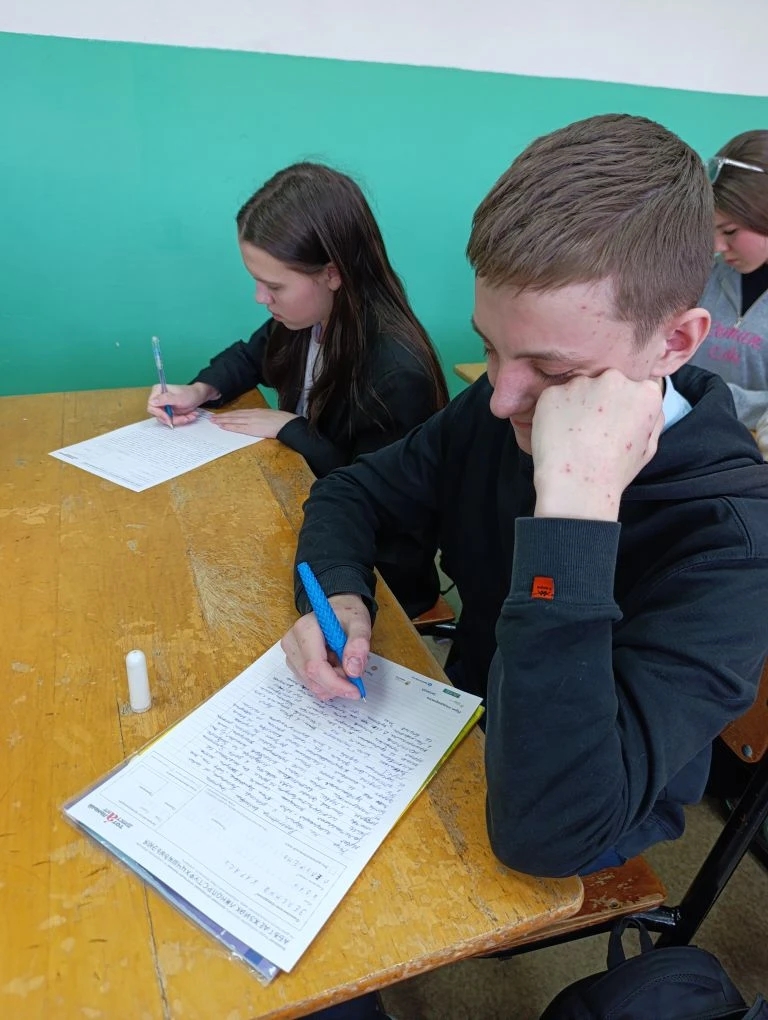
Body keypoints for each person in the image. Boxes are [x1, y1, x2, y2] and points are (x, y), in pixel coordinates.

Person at [280, 114, 768, 884]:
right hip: (463, 722)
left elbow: (547, 830)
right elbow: (352, 491)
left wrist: (572, 513)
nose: (503, 397)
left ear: (675, 343)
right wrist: (337, 594)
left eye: (553, 369)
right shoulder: (502, 403)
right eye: (491, 346)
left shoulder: (733, 543)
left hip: (579, 814)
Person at [147, 162, 449, 618]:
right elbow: (251, 357)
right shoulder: (304, 319)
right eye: (256, 281)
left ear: (332, 273)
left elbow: (372, 495)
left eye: (274, 286)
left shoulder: (397, 372)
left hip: (372, 572)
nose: (260, 297)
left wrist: (290, 427)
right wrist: (199, 389)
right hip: (309, 513)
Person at [690, 131, 768, 451]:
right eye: (712, 230)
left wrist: (711, 398)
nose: (718, 247)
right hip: (688, 441)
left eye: (730, 231)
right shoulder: (703, 277)